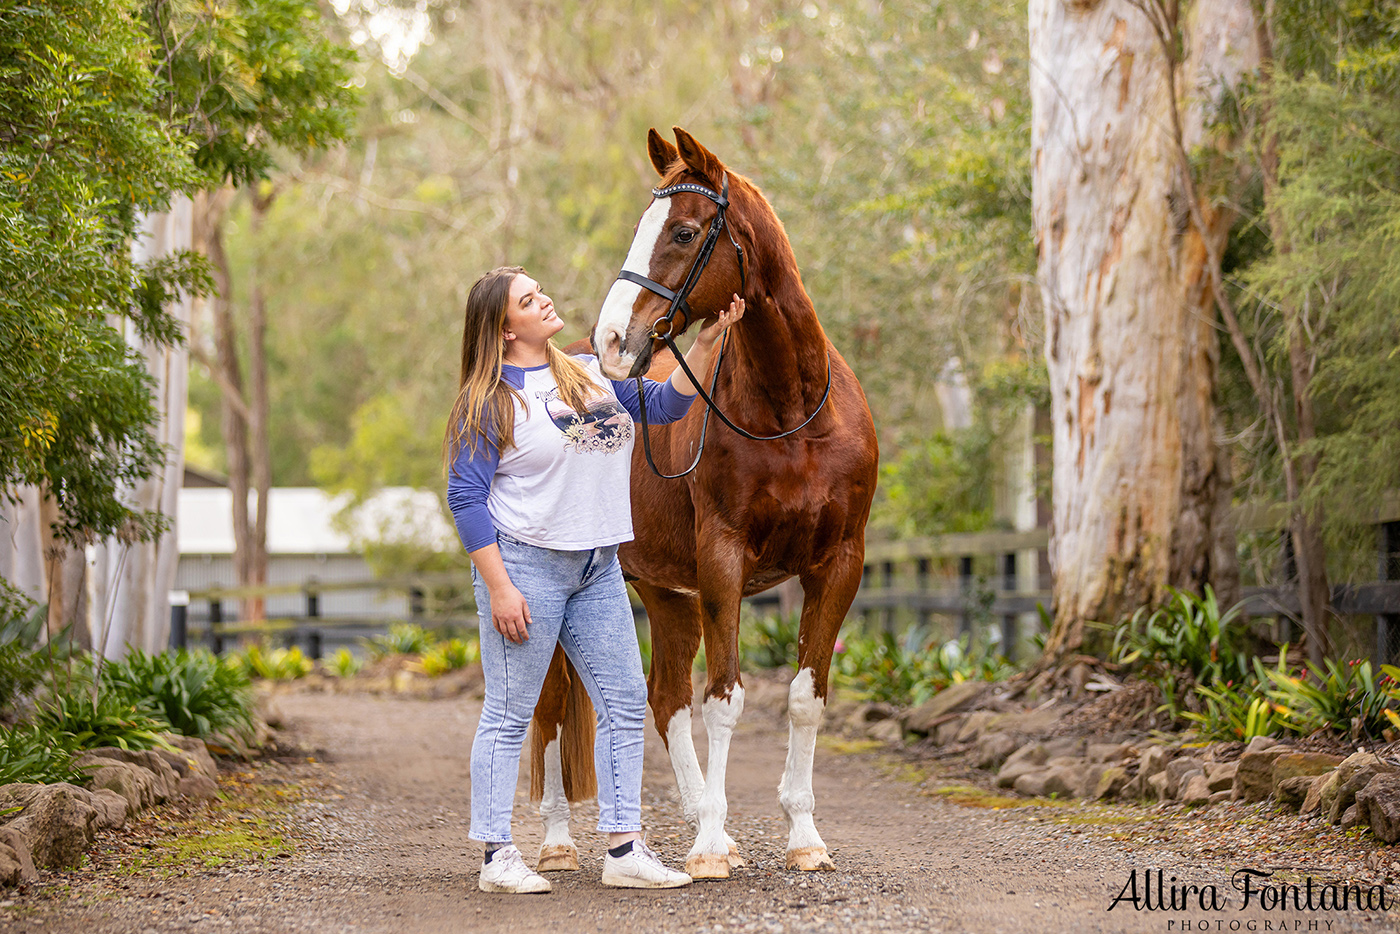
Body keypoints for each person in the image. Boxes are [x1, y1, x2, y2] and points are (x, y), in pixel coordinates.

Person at [444, 266, 744, 894]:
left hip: (597, 569)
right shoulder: (491, 399)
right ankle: (498, 856)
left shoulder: (586, 374)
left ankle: (623, 847)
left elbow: (663, 405)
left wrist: (708, 342)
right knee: (508, 711)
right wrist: (501, 587)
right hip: (527, 568)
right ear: (503, 330)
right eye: (529, 300)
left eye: (539, 290)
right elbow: (466, 497)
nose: (545, 299)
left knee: (626, 700)